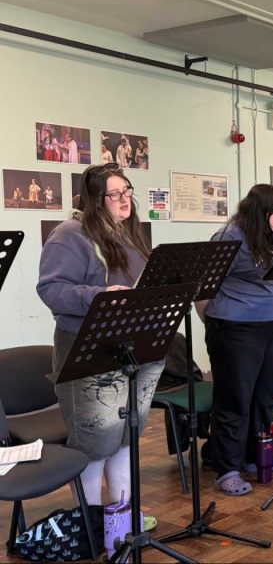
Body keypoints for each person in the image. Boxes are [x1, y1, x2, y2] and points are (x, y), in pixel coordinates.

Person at [37, 163, 162, 529]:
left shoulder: (127, 233)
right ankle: (89, 524)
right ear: (95, 199)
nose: (125, 199)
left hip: (129, 346)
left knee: (125, 436)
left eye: (127, 191)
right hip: (86, 349)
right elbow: (51, 290)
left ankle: (121, 516)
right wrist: (100, 296)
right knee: (96, 442)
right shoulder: (69, 235)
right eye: (115, 194)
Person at [200, 183, 273, 496]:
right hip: (236, 327)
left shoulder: (272, 236)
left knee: (266, 394)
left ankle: (255, 456)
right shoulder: (230, 236)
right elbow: (204, 285)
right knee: (235, 399)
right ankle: (227, 468)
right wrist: (216, 323)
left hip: (272, 324)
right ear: (258, 210)